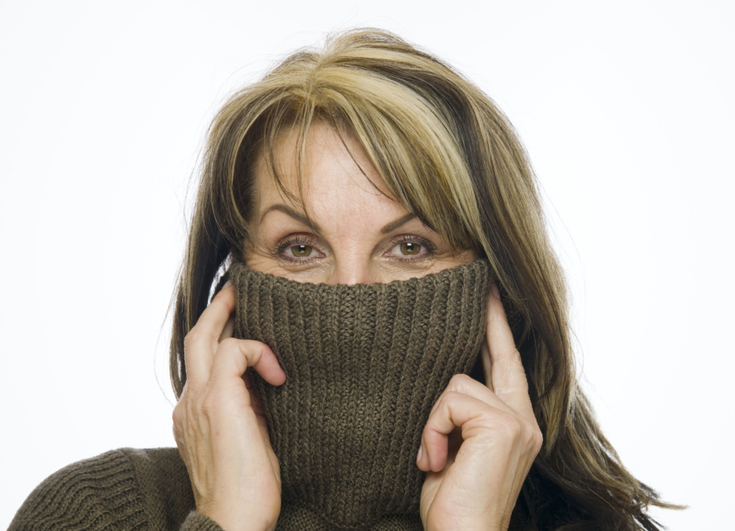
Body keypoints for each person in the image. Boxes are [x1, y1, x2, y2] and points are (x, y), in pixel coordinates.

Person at [10, 28, 678, 530]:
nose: (351, 292)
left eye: (410, 245)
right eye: (300, 247)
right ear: (230, 284)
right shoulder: (95, 512)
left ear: (495, 288)